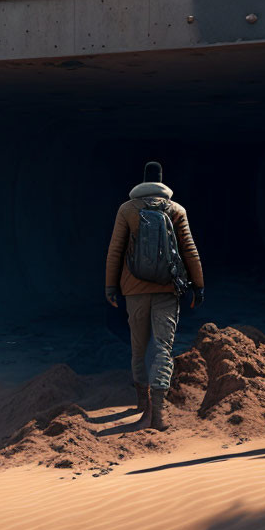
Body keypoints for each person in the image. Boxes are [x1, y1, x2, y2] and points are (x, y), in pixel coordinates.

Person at [105, 161, 205, 431]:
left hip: (134, 290)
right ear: (162, 183)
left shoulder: (127, 210)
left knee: (138, 349)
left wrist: (111, 286)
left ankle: (142, 405)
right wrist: (198, 285)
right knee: (163, 349)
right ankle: (158, 414)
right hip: (167, 289)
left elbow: (115, 251)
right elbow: (189, 249)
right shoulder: (176, 210)